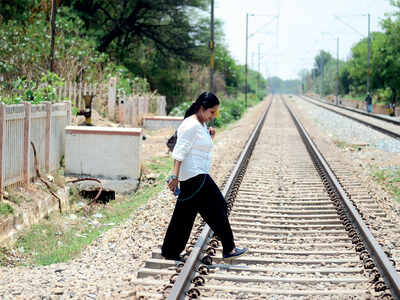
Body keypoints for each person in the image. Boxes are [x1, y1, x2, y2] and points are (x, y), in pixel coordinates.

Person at [161, 91, 247, 262]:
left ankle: (170, 251)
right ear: (201, 108)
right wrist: (174, 176)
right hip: (195, 176)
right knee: (218, 207)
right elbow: (179, 152)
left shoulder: (198, 124)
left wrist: (210, 136)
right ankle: (229, 248)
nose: (213, 116)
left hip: (196, 174)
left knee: (184, 214)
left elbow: (199, 148)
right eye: (211, 112)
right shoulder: (191, 125)